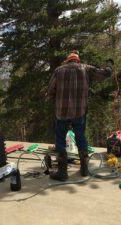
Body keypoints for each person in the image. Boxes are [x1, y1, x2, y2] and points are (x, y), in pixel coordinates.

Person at [47, 50, 114, 181]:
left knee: (60, 139)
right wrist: (109, 64)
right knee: (81, 138)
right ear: (78, 60)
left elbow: (50, 91)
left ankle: (62, 173)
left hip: (62, 113)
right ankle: (84, 169)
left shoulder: (59, 70)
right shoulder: (86, 68)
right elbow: (106, 73)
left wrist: (57, 96)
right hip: (80, 112)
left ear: (67, 60)